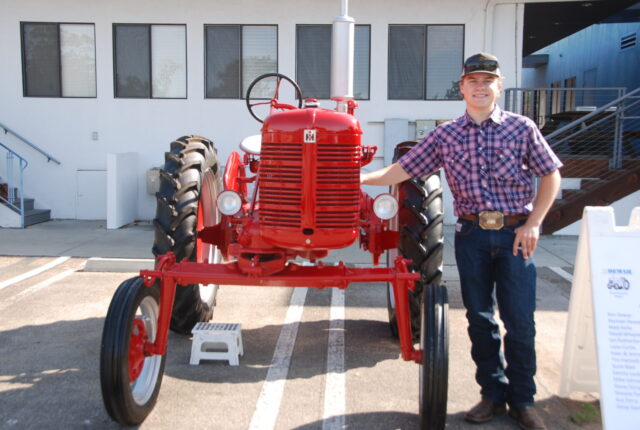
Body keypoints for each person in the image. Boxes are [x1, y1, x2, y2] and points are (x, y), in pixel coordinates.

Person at [361, 52, 562, 430]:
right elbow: (403, 169)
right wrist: (359, 179)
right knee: (479, 319)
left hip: (515, 234)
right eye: (473, 81)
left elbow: (550, 175)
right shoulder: (446, 134)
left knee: (520, 321)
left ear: (499, 86)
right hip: (471, 235)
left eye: (488, 81)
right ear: (462, 88)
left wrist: (534, 223)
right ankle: (491, 394)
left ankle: (522, 401)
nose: (481, 87)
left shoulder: (522, 128)